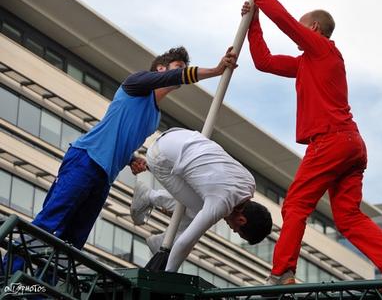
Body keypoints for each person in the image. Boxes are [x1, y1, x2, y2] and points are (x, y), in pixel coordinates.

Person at [240, 0, 382, 284]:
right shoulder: (308, 63)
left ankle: (283, 271)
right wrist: (254, 20)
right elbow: (264, 61)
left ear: (314, 29)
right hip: (351, 145)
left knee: (295, 205)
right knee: (347, 217)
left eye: (301, 25)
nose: (297, 29)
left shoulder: (322, 49)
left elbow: (283, 21)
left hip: (331, 141)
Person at [28, 46, 238, 251]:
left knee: (74, 241)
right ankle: (8, 276)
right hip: (86, 159)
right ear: (160, 69)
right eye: (177, 67)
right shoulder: (136, 83)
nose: (179, 72)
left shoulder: (154, 118)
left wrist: (131, 159)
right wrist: (216, 71)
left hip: (104, 176)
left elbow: (121, 137)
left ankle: (48, 283)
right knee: (50, 221)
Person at [130, 128, 273, 272]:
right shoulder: (222, 203)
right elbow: (185, 242)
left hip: (181, 136)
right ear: (242, 220)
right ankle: (149, 197)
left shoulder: (249, 183)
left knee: (200, 209)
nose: (233, 230)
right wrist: (168, 274)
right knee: (198, 212)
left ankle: (161, 232)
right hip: (161, 157)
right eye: (237, 231)